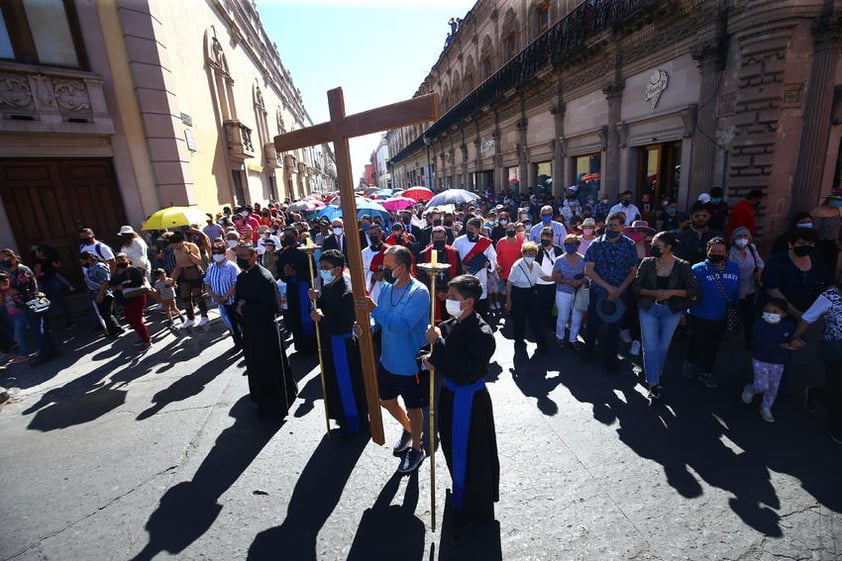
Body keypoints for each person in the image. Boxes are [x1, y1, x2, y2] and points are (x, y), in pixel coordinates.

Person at [420, 275, 498, 539]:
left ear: (469, 302)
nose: (447, 300)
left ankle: (472, 510)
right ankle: (460, 492)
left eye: (453, 297)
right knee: (453, 451)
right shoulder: (449, 324)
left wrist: (438, 348)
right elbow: (426, 352)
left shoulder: (483, 334)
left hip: (470, 404)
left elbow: (464, 370)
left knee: (473, 457)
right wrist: (427, 360)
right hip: (448, 397)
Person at [355, 245, 431, 473]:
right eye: (382, 266)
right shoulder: (387, 289)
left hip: (410, 364)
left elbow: (402, 326)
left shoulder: (419, 292)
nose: (383, 271)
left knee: (414, 408)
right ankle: (408, 430)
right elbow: (380, 323)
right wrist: (364, 328)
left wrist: (374, 310)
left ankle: (417, 449)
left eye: (387, 267)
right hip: (387, 360)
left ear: (404, 267)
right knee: (385, 401)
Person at [631, 232, 699, 400]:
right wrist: (654, 292)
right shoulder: (647, 263)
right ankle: (653, 383)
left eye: (657, 245)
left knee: (663, 347)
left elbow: (693, 291)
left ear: (668, 248)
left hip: (671, 310)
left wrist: (672, 292)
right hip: (649, 308)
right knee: (650, 346)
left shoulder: (682, 266)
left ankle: (656, 371)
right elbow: (636, 287)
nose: (652, 247)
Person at [235, 244, 298, 418]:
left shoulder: (265, 277)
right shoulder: (242, 277)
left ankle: (276, 404)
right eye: (238, 255)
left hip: (265, 330)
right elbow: (239, 298)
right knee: (256, 366)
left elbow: (272, 307)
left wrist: (245, 307)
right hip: (250, 329)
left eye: (244, 256)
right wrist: (240, 305)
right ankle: (260, 397)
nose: (240, 259)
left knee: (270, 367)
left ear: (254, 256)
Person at [309, 249, 368, 435]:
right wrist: (316, 299)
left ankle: (354, 422)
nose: (323, 270)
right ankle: (341, 417)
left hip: (342, 346)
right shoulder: (327, 287)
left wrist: (322, 318)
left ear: (339, 268)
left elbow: (344, 324)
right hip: (330, 342)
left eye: (327, 268)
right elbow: (325, 308)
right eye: (322, 267)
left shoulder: (347, 292)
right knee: (333, 382)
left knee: (347, 384)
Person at [582, 212, 639, 374]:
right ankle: (588, 352)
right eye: (609, 225)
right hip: (598, 292)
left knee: (614, 329)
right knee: (594, 324)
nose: (611, 229)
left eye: (614, 226)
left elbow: (633, 271)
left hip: (620, 294)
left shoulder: (629, 245)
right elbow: (588, 270)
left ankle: (611, 360)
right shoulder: (595, 244)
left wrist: (618, 290)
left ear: (622, 227)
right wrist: (609, 288)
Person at [684, 237, 740, 389]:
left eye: (720, 251)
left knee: (714, 345)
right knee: (697, 341)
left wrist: (734, 311)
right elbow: (688, 292)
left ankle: (707, 372)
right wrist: (683, 312)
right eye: (713, 251)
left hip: (721, 316)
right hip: (700, 314)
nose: (716, 253)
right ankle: (690, 362)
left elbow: (736, 292)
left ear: (727, 253)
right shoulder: (698, 268)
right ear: (707, 251)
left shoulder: (734, 268)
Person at [790, 282, 842, 444]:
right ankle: (837, 429)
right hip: (837, 349)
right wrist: (795, 336)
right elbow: (808, 317)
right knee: (837, 390)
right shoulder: (829, 297)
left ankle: (816, 393)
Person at [0, 248, 61, 366]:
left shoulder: (22, 270)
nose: (3, 261)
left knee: (37, 330)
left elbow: (27, 288)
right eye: (1, 260)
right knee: (40, 328)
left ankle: (45, 353)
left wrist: (13, 291)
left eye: (5, 258)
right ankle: (53, 350)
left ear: (13, 257)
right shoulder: (14, 271)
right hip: (24, 305)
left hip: (30, 304)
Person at [741, 297, 797, 423]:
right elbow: (758, 343)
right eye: (767, 311)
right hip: (761, 359)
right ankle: (750, 388)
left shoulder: (789, 326)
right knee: (761, 386)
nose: (771, 314)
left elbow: (798, 338)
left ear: (784, 314)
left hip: (779, 361)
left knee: (773, 387)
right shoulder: (759, 325)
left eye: (775, 312)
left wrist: (798, 342)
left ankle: (766, 407)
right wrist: (778, 346)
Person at [763, 227, 834, 320]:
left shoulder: (816, 258)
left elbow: (829, 283)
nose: (806, 246)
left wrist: (825, 306)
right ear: (790, 244)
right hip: (781, 313)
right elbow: (772, 290)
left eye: (810, 243)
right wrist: (795, 313)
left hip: (809, 312)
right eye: (801, 243)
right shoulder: (776, 261)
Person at [275, 227, 317, 354]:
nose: (287, 238)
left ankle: (312, 347)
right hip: (292, 289)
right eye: (285, 235)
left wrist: (295, 273)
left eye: (290, 235)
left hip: (304, 289)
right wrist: (286, 274)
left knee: (307, 316)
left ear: (296, 236)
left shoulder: (305, 251)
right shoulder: (283, 253)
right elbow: (280, 273)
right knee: (294, 316)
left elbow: (313, 272)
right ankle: (300, 347)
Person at [505, 242, 552, 352]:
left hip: (531, 293)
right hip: (518, 293)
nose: (530, 256)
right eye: (528, 254)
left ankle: (542, 343)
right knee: (519, 319)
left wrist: (554, 278)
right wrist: (508, 300)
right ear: (523, 253)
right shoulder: (517, 265)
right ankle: (519, 340)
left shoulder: (536, 265)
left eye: (532, 254)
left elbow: (544, 276)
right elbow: (509, 283)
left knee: (535, 318)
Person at [453, 217, 497, 319]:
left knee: (480, 310)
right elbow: (453, 256)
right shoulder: (458, 241)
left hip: (480, 279)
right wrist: (461, 266)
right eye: (467, 229)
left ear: (478, 229)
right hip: (463, 279)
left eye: (471, 229)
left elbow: (493, 258)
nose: (469, 231)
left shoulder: (485, 243)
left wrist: (489, 264)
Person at [729, 226, 764, 347]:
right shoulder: (729, 252)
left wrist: (759, 271)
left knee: (749, 317)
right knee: (733, 314)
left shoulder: (751, 248)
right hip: (734, 291)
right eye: (739, 237)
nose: (743, 239)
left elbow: (759, 262)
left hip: (750, 288)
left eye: (745, 237)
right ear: (734, 239)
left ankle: (750, 340)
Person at [418, 226, 462, 323]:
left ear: (446, 238)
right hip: (432, 295)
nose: (439, 240)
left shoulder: (454, 253)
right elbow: (421, 278)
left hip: (451, 294)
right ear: (432, 239)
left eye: (442, 238)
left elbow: (459, 274)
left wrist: (449, 292)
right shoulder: (424, 254)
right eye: (437, 239)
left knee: (451, 323)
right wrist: (436, 292)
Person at [109, 253, 151, 351]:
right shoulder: (117, 271)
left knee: (137, 320)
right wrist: (112, 286)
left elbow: (138, 282)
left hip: (135, 298)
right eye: (118, 260)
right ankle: (141, 335)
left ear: (127, 259)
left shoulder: (132, 269)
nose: (120, 261)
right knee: (130, 320)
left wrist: (123, 286)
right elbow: (112, 281)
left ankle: (146, 340)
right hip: (124, 299)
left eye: (122, 259)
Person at [204, 242, 242, 349]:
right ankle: (237, 343)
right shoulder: (211, 268)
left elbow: (236, 284)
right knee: (229, 324)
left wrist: (225, 297)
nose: (216, 255)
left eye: (219, 252)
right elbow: (207, 284)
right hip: (220, 303)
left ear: (224, 253)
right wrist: (215, 297)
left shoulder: (232, 267)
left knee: (239, 323)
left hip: (233, 301)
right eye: (214, 253)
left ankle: (245, 342)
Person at [551, 234, 587, 349]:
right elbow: (554, 276)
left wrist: (581, 281)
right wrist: (568, 281)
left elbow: (588, 275)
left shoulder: (583, 259)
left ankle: (573, 338)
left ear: (577, 245)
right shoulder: (560, 260)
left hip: (579, 293)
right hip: (563, 292)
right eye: (566, 244)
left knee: (577, 318)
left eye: (571, 244)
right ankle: (559, 337)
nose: (569, 246)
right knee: (563, 317)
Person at [168, 232, 209, 329]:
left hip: (194, 271)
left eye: (176, 245)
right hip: (183, 273)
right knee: (185, 296)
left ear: (181, 242)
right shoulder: (175, 251)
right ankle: (190, 318)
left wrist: (189, 253)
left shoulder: (191, 246)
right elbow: (178, 265)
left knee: (197, 296)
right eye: (173, 245)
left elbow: (198, 261)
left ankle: (204, 316)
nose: (175, 247)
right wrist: (172, 279)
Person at [80, 251, 123, 338]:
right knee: (105, 313)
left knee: (106, 313)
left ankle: (114, 331)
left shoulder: (99, 266)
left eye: (82, 261)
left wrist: (101, 294)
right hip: (96, 293)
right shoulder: (91, 268)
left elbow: (106, 281)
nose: (82, 263)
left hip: (104, 293)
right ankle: (115, 329)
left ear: (88, 259)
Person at [32, 244, 75, 329]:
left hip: (44, 283)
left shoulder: (38, 262)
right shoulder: (50, 259)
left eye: (36, 251)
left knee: (42, 304)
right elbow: (57, 267)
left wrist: (35, 283)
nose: (35, 253)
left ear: (41, 252)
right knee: (61, 302)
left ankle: (47, 326)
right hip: (53, 281)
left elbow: (37, 273)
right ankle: (70, 320)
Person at [535, 227, 563, 332]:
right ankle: (540, 327)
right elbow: (534, 266)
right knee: (540, 306)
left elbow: (561, 265)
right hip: (539, 283)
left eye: (547, 237)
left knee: (552, 306)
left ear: (552, 238)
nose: (545, 239)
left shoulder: (558, 250)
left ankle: (551, 326)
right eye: (543, 237)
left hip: (554, 283)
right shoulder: (537, 249)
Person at [810, 188, 842, 274]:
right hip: (820, 244)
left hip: (832, 245)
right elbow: (813, 230)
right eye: (838, 199)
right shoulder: (818, 211)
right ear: (830, 199)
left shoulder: (837, 211)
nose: (840, 202)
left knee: (829, 270)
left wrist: (839, 243)